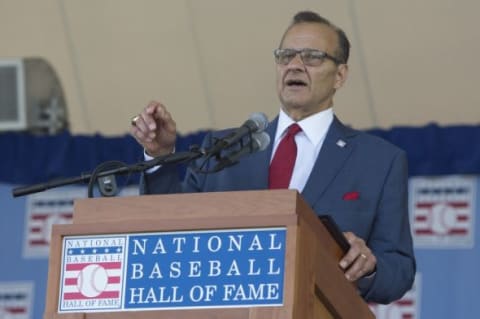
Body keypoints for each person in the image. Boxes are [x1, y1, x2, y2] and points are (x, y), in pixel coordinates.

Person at [130, 10, 415, 304]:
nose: (294, 65)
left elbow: (399, 271)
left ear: (340, 75)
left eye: (312, 57)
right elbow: (169, 232)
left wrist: (368, 267)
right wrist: (160, 157)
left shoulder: (379, 161)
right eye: (285, 55)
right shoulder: (224, 148)